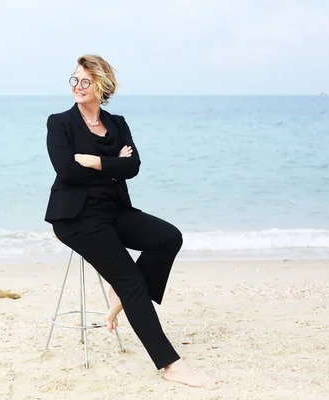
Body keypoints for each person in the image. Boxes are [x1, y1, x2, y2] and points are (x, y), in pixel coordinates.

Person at [44, 54, 216, 388]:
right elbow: (65, 170)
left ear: (102, 85)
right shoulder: (59, 123)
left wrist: (94, 161)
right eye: (74, 80)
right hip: (76, 218)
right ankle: (170, 364)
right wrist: (112, 163)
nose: (78, 86)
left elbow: (133, 168)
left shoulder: (118, 123)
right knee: (133, 283)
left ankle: (121, 291)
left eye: (86, 80)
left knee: (169, 238)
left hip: (115, 211)